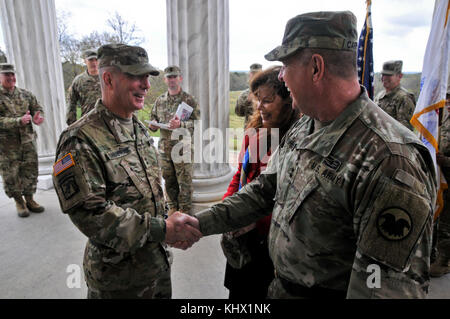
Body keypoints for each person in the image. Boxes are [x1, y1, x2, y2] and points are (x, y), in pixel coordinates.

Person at [180, 11, 437, 298]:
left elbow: (383, 288)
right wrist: (200, 223)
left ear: (316, 67)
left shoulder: (390, 161)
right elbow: (265, 190)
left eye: (285, 65)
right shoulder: (306, 124)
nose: (281, 76)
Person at [52, 44, 202, 299]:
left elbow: (151, 190)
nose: (146, 84)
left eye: (147, 77)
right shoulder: (79, 139)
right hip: (119, 282)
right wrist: (161, 229)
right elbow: (91, 214)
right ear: (108, 78)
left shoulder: (138, 128)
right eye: (136, 76)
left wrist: (167, 223)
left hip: (157, 267)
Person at [222, 66, 300, 299]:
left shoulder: (297, 140)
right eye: (257, 100)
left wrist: (254, 219)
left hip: (275, 248)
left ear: (288, 101)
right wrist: (229, 209)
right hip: (245, 242)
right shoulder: (255, 132)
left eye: (267, 100)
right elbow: (240, 176)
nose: (259, 107)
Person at [149, 65, 200, 216]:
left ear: (180, 78)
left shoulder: (189, 100)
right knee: (168, 178)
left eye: (174, 76)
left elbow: (196, 123)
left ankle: (184, 211)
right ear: (165, 80)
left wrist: (181, 124)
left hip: (182, 147)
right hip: (165, 147)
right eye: (169, 77)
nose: (172, 80)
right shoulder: (159, 100)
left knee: (184, 180)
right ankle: (172, 208)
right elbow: (154, 120)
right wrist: (152, 125)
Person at [0, 63, 45, 217]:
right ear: (0, 77)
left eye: (12, 75)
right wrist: (18, 121)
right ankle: (19, 201)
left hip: (27, 141)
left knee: (30, 170)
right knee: (11, 173)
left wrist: (38, 117)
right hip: (7, 145)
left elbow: (37, 108)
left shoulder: (25, 94)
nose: (11, 78)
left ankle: (30, 198)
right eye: (7, 75)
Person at [430, 85, 450, 277]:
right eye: (447, 97)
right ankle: (434, 254)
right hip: (441, 174)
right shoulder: (444, 116)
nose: (449, 102)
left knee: (446, 222)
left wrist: (446, 161)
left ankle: (444, 261)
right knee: (439, 216)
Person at [374, 60, 416, 131]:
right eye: (383, 74)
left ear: (400, 76)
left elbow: (405, 131)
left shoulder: (404, 98)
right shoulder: (379, 96)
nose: (384, 78)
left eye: (389, 75)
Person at [66, 49, 102, 125]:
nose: (94, 63)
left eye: (96, 60)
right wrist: (72, 123)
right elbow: (71, 102)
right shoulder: (79, 81)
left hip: (108, 123)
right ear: (85, 61)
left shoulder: (107, 78)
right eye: (91, 60)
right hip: (88, 123)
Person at [235, 63, 262, 128]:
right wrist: (247, 101)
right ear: (250, 75)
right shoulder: (245, 94)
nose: (255, 76)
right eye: (253, 74)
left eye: (257, 74)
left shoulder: (269, 92)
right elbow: (238, 113)